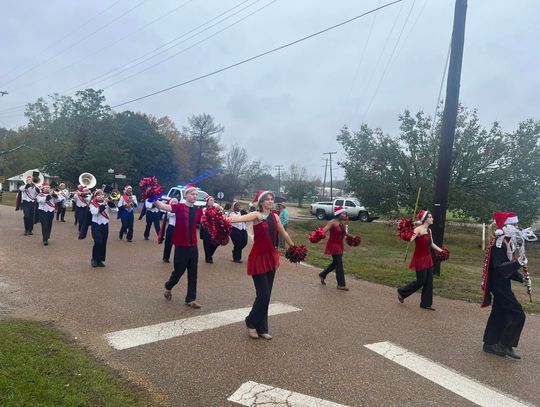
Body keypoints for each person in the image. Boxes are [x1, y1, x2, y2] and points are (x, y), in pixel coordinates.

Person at [227, 190, 296, 340]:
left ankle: (262, 328)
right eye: (267, 199)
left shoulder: (275, 216)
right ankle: (250, 322)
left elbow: (283, 233)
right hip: (258, 258)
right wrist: (223, 219)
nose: (271, 201)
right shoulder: (257, 215)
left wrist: (294, 247)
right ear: (261, 202)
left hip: (271, 258)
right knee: (263, 295)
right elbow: (239, 218)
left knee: (267, 295)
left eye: (272, 199)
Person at [481, 212, 527, 359]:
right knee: (517, 313)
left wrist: (522, 278)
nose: (517, 227)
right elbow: (501, 267)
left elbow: (508, 269)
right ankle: (505, 344)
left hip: (501, 284)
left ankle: (489, 343)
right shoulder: (499, 244)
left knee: (498, 313)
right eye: (514, 225)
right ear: (506, 226)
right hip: (499, 285)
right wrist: (518, 263)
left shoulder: (506, 243)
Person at [155, 184, 203, 309]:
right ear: (186, 195)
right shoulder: (179, 207)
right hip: (181, 246)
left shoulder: (198, 210)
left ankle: (190, 299)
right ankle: (169, 286)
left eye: (196, 194)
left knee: (193, 273)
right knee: (178, 272)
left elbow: (205, 220)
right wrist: (153, 198)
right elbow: (163, 206)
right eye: (192, 194)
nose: (195, 196)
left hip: (193, 246)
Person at [397, 210, 444, 310]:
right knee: (420, 281)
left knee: (429, 281)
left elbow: (431, 244)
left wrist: (441, 251)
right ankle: (402, 292)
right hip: (419, 259)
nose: (432, 219)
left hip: (428, 259)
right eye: (430, 217)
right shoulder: (418, 230)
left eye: (432, 217)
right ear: (425, 219)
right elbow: (409, 239)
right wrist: (407, 228)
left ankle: (426, 303)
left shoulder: (429, 231)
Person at [318, 206, 355, 290]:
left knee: (335, 263)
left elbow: (344, 233)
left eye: (345, 213)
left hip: (340, 245)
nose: (345, 215)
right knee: (339, 264)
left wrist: (352, 236)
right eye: (343, 213)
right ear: (338, 214)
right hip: (334, 245)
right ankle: (341, 284)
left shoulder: (341, 223)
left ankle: (322, 275)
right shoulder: (332, 222)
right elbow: (324, 230)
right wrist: (319, 234)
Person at [89, 189, 114, 268]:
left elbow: (115, 210)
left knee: (103, 242)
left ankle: (100, 260)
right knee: (98, 242)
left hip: (105, 224)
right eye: (98, 195)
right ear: (95, 197)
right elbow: (95, 212)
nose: (101, 196)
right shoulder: (92, 204)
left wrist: (110, 203)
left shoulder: (106, 203)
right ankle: (94, 259)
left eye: (102, 195)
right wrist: (103, 203)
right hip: (96, 225)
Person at [200, 196, 222, 263]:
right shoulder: (204, 209)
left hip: (214, 228)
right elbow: (205, 218)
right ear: (207, 202)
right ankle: (208, 257)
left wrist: (220, 210)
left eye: (213, 200)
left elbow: (221, 213)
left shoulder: (215, 209)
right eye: (210, 200)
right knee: (207, 243)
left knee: (216, 242)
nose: (212, 202)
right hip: (206, 228)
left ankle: (210, 254)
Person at [160, 198, 178, 263]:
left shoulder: (179, 210)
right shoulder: (169, 210)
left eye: (176, 202)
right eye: (174, 202)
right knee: (168, 244)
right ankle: (166, 257)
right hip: (171, 228)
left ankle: (178, 258)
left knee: (178, 245)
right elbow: (169, 215)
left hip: (178, 229)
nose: (175, 203)